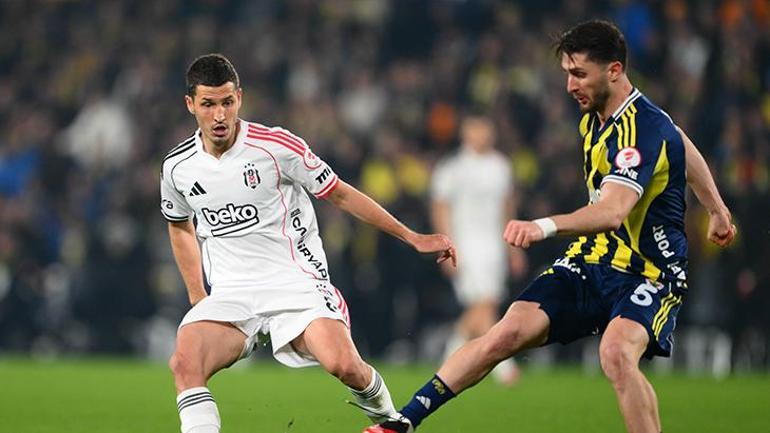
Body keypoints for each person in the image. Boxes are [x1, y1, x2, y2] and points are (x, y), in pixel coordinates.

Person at [364, 20, 736, 433]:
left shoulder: (643, 128)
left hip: (648, 271)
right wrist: (717, 208)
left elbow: (613, 211)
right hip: (594, 259)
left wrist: (543, 226)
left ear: (614, 70)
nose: (569, 86)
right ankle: (402, 422)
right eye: (567, 73)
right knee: (506, 332)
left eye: (579, 74)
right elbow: (679, 140)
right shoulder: (598, 117)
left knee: (615, 353)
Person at [160, 53, 456, 433]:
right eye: (208, 104)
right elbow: (179, 226)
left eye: (227, 102)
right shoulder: (178, 167)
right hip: (232, 293)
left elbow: (341, 194)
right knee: (185, 363)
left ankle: (390, 422)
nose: (219, 115)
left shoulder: (276, 147)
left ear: (240, 98)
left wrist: (412, 237)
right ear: (190, 104)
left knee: (344, 365)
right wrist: (198, 295)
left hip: (295, 283)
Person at [430, 115, 524, 385]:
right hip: (465, 245)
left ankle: (450, 356)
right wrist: (445, 245)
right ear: (465, 132)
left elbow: (507, 207)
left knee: (485, 304)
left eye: (485, 128)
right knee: (484, 302)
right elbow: (440, 207)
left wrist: (513, 248)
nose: (482, 134)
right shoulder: (452, 168)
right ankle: (504, 366)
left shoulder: (500, 166)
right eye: (476, 128)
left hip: (494, 245)